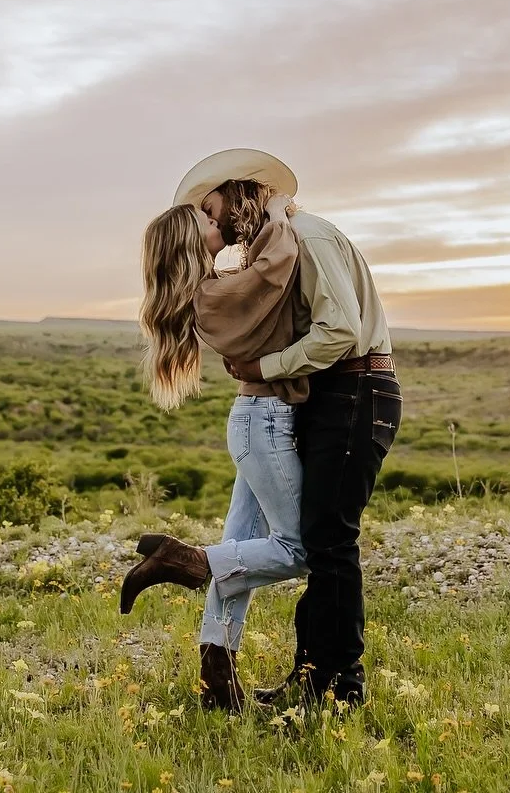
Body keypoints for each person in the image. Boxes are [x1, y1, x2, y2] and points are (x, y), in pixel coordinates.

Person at [174, 148, 402, 708]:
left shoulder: (311, 238)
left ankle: (339, 684)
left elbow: (341, 332)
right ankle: (314, 675)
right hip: (328, 395)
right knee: (322, 542)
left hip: (355, 391)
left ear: (240, 193)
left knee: (329, 542)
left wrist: (262, 368)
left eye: (213, 206)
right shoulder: (281, 242)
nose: (215, 222)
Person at [121, 182, 310, 713]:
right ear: (188, 240)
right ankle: (180, 559)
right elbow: (278, 264)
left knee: (240, 557)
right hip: (266, 423)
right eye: (204, 218)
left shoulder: (211, 287)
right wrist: (275, 210)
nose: (215, 221)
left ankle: (217, 682)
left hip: (258, 423)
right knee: (303, 550)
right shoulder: (215, 294)